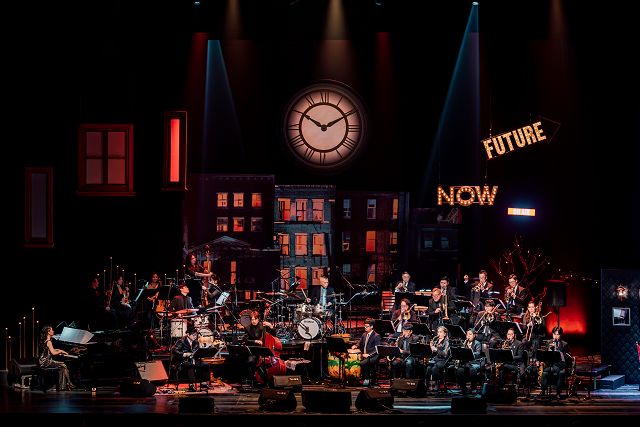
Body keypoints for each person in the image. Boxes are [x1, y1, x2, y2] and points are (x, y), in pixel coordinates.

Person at [170, 325, 209, 391]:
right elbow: (174, 350)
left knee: (205, 365)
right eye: (193, 335)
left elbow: (197, 351)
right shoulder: (181, 341)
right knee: (190, 365)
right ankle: (191, 385)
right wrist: (184, 354)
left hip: (192, 359)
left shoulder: (196, 342)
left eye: (196, 335)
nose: (195, 337)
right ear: (188, 334)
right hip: (182, 361)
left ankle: (203, 383)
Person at [38, 325, 75, 391]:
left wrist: (60, 350)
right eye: (52, 330)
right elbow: (53, 353)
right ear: (48, 332)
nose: (53, 331)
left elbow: (51, 350)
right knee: (63, 365)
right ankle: (69, 383)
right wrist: (61, 351)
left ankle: (63, 386)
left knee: (62, 367)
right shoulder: (49, 342)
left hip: (43, 361)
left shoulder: (46, 341)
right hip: (46, 361)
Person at [541, 326, 571, 399]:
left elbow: (567, 357)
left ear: (561, 335)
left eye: (557, 334)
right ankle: (543, 391)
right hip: (551, 365)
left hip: (560, 365)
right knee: (544, 372)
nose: (555, 336)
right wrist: (549, 349)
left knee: (561, 373)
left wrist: (558, 351)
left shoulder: (564, 344)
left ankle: (558, 392)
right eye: (554, 334)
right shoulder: (548, 342)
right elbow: (545, 355)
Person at [352, 318, 381, 387]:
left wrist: (369, 355)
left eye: (367, 326)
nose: (365, 327)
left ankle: (367, 378)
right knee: (355, 361)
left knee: (363, 363)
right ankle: (359, 378)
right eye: (364, 326)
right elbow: (360, 343)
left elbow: (377, 349)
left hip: (373, 356)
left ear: (372, 326)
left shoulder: (376, 336)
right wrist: (356, 346)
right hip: (365, 355)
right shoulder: (364, 334)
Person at [455, 329, 484, 394]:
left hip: (475, 362)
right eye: (467, 334)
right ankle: (463, 387)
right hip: (466, 362)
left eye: (470, 334)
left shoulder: (477, 343)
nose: (468, 336)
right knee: (459, 370)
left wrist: (470, 351)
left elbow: (478, 353)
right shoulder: (465, 343)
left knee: (472, 370)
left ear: (474, 335)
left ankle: (473, 387)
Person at [426, 325, 451, 393]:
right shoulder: (436, 340)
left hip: (443, 360)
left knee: (435, 368)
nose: (438, 334)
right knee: (428, 368)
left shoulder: (447, 342)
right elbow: (433, 353)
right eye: (438, 332)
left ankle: (437, 385)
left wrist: (436, 349)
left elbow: (445, 354)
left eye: (440, 332)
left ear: (444, 334)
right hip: (436, 359)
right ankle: (427, 385)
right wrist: (431, 347)